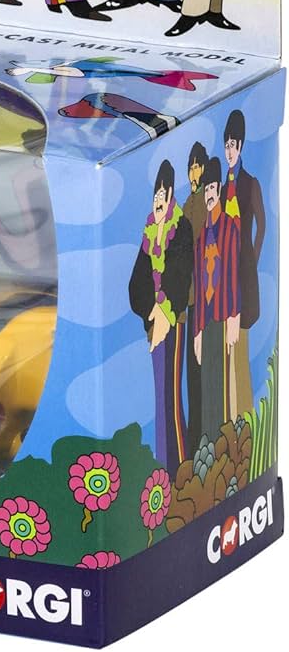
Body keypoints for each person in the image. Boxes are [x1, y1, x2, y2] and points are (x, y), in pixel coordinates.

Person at [128, 159, 193, 470]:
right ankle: (163, 462)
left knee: (171, 393)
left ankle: (178, 465)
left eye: (163, 195)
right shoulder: (148, 233)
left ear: (171, 198)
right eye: (156, 194)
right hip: (153, 322)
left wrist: (165, 312)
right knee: (158, 394)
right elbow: (137, 281)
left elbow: (181, 274)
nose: (158, 200)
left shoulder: (181, 228)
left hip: (174, 322)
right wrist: (151, 310)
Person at [192, 157, 242, 439]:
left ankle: (223, 440)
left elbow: (233, 273)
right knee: (206, 381)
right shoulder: (201, 236)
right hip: (207, 316)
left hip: (224, 312)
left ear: (220, 189)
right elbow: (199, 286)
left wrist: (235, 314)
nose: (209, 194)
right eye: (206, 190)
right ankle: (209, 442)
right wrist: (197, 329)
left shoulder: (228, 228)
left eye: (213, 188)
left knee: (223, 379)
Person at [221, 109, 266, 416]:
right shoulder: (221, 187)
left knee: (242, 343)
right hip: (224, 276)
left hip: (243, 273)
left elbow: (262, 225)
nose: (229, 151)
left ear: (241, 146)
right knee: (227, 348)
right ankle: (232, 419)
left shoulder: (250, 184)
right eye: (226, 145)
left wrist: (252, 259)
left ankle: (244, 419)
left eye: (233, 145)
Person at [182, 142, 209, 455]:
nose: (193, 172)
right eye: (190, 167)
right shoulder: (188, 202)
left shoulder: (204, 202)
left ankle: (200, 438)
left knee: (201, 369)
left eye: (196, 166)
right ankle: (192, 441)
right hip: (188, 302)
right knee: (192, 370)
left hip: (204, 301)